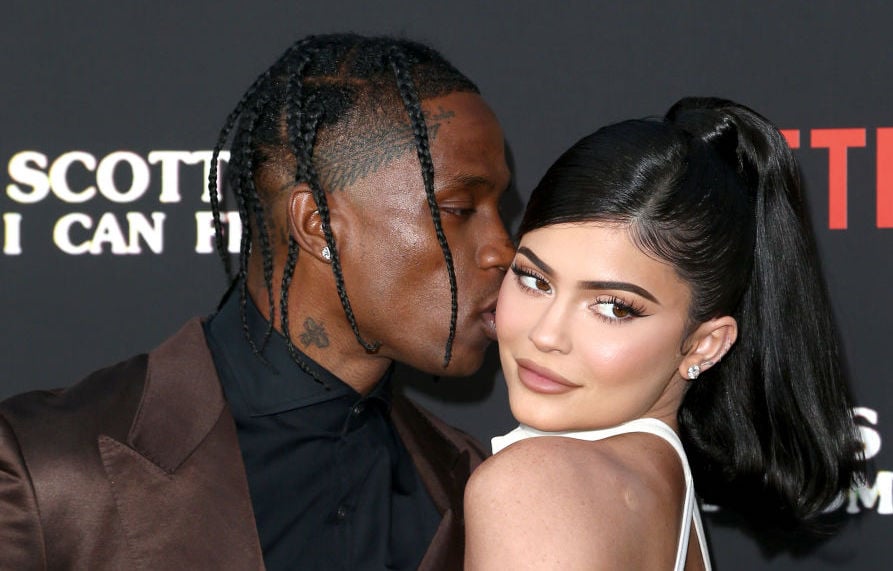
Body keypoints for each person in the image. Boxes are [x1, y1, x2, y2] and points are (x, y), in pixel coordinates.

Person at [0, 34, 514, 570]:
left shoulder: (472, 488)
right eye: (460, 208)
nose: (503, 248)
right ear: (318, 226)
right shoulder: (44, 468)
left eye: (499, 209)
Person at [463, 97, 865, 570]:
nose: (547, 335)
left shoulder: (535, 486)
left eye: (613, 308)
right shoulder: (655, 485)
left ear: (704, 344)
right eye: (534, 280)